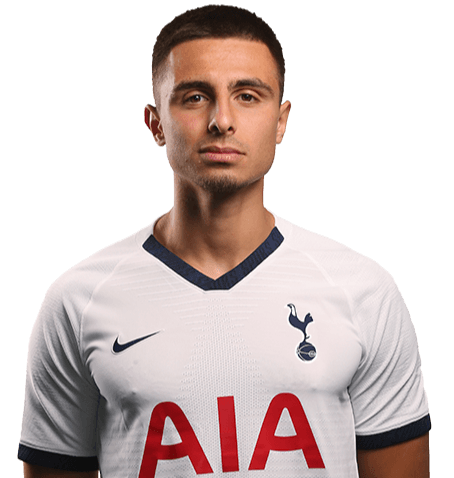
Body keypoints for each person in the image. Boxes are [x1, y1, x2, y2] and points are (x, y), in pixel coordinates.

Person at [18, 5, 430, 477]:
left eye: (248, 96)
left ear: (281, 121)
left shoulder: (363, 290)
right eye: (195, 97)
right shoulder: (78, 300)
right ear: (156, 124)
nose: (222, 120)